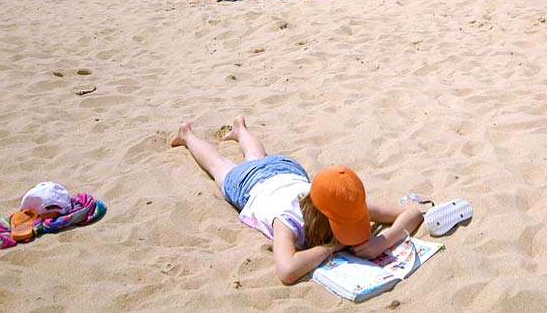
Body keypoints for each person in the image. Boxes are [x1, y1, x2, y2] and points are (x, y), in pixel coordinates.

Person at [169, 117, 424, 285]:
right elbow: (287, 271)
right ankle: (189, 135)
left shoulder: (346, 204)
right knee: (219, 166)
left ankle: (241, 129)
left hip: (288, 171)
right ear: (323, 217)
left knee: (258, 156)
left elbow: (413, 213)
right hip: (251, 185)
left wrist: (384, 240)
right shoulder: (287, 220)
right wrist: (329, 249)